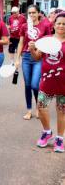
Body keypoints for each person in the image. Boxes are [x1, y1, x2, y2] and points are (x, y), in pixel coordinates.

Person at [30, 12, 65, 153]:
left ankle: (60, 139)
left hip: (63, 82)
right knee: (41, 106)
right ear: (54, 25)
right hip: (47, 80)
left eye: (64, 24)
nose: (61, 26)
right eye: (59, 23)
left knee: (61, 111)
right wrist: (32, 48)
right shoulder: (46, 39)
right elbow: (37, 57)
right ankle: (47, 132)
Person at [15, 5, 51, 120]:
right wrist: (17, 58)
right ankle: (29, 110)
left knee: (35, 85)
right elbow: (21, 43)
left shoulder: (45, 25)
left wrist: (38, 49)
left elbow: (47, 42)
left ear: (39, 13)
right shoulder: (24, 26)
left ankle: (38, 107)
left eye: (34, 12)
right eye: (29, 13)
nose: (31, 15)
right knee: (27, 85)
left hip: (38, 58)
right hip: (26, 57)